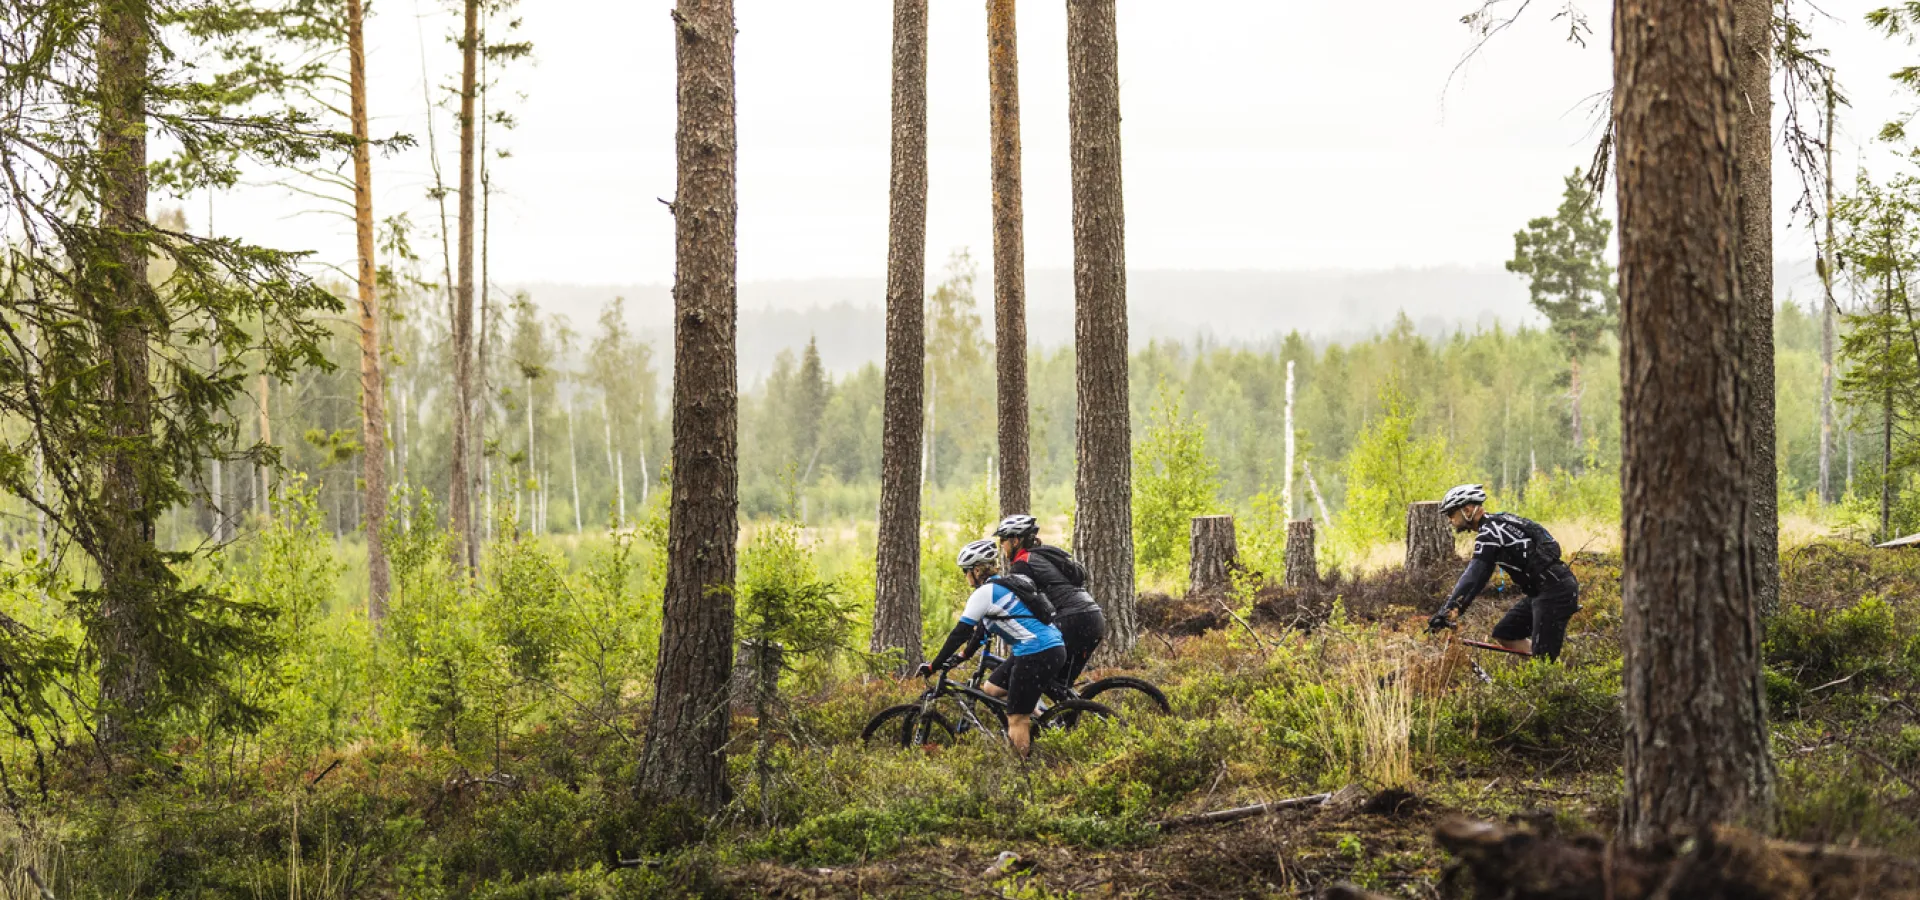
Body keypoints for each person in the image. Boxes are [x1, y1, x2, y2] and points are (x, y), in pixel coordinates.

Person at [919, 539, 1067, 757]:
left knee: (1016, 718)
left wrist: (934, 665)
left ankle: (1022, 772)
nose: (965, 576)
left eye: (966, 571)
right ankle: (1043, 719)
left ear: (977, 570)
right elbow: (981, 633)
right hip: (1045, 647)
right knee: (992, 689)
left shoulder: (984, 593)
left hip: (1036, 651)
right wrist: (962, 656)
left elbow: (960, 632)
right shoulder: (1003, 586)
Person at [1425, 483, 1581, 661]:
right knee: (1505, 633)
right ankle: (1543, 673)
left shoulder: (1489, 534)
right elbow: (1479, 579)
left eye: (1451, 513)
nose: (1449, 520)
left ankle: (1550, 677)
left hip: (1554, 592)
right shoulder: (1502, 520)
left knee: (1544, 660)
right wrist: (1454, 609)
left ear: (1467, 510)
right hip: (1544, 590)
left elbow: (1472, 578)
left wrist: (1446, 611)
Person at [993, 514, 1107, 687]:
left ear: (1015, 541)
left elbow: (1025, 607)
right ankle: (1073, 712)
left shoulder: (1022, 565)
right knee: (1060, 686)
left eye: (1003, 540)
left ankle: (1024, 712)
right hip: (1093, 617)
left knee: (1029, 672)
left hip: (1071, 620)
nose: (1001, 545)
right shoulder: (1044, 555)